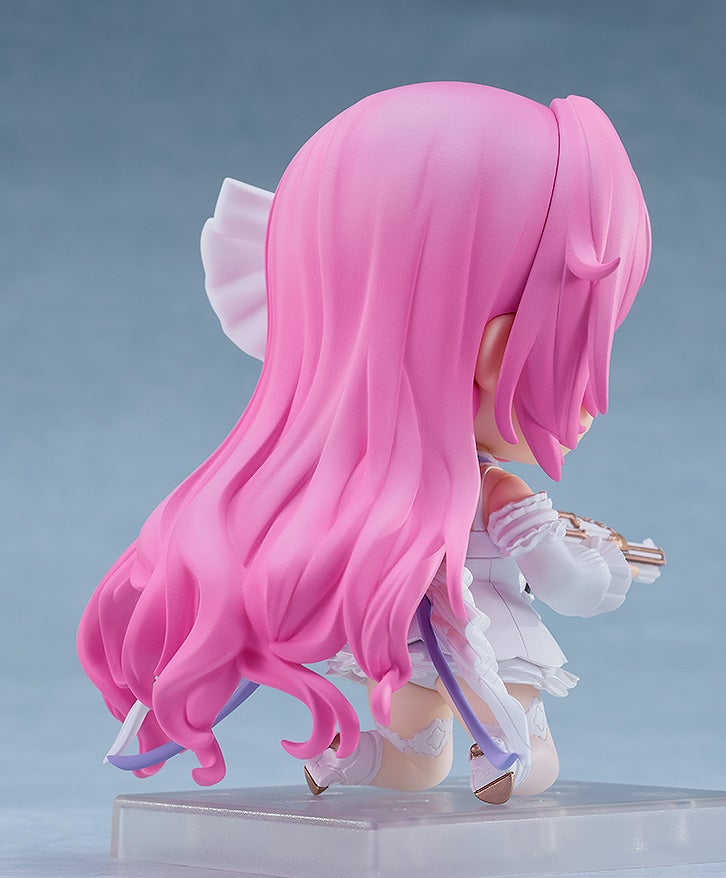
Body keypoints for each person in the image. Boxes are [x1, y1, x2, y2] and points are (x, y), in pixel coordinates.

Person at [77, 82, 652, 803]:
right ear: (500, 353)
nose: (594, 392)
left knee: (426, 750)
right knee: (516, 754)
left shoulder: (373, 494)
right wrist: (606, 569)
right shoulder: (495, 492)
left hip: (418, 642)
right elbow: (570, 588)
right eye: (584, 347)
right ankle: (488, 751)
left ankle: (374, 757)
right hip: (477, 639)